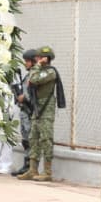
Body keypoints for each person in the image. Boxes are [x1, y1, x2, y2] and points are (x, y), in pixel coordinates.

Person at [18, 45, 64, 182]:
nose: (36, 59)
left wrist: (37, 65)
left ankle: (47, 171)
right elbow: (32, 77)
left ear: (46, 58)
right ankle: (32, 170)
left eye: (39, 57)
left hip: (46, 109)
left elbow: (34, 80)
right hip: (37, 108)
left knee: (46, 139)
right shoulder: (38, 70)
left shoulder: (50, 72)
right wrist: (37, 66)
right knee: (33, 138)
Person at [13, 49, 37, 176]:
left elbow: (33, 93)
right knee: (25, 139)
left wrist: (24, 97)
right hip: (24, 111)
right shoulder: (29, 75)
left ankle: (30, 167)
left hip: (30, 111)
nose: (25, 63)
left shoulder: (35, 75)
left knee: (30, 139)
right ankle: (26, 165)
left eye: (27, 61)